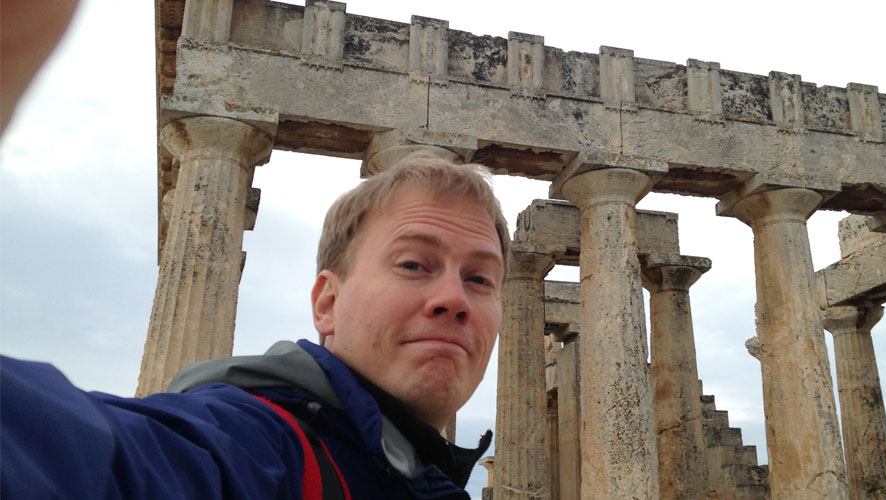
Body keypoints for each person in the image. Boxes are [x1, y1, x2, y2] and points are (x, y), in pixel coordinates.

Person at [1, 153, 511, 499]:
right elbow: (108, 462)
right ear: (327, 303)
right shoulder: (258, 447)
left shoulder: (411, 472)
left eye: (480, 279)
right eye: (413, 265)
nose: (453, 298)